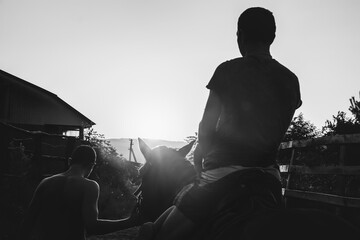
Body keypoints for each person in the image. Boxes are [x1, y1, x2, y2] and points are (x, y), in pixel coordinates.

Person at [136, 7, 302, 240]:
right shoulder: (291, 80)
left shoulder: (227, 70)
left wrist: (198, 160)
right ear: (273, 37)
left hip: (222, 174)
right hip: (269, 180)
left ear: (240, 35)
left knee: (155, 233)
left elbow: (207, 125)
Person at [18, 145, 135, 240]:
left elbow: (28, 221)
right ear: (91, 166)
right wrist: (129, 222)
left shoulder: (45, 182)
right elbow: (92, 226)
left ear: (70, 161)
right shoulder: (89, 186)